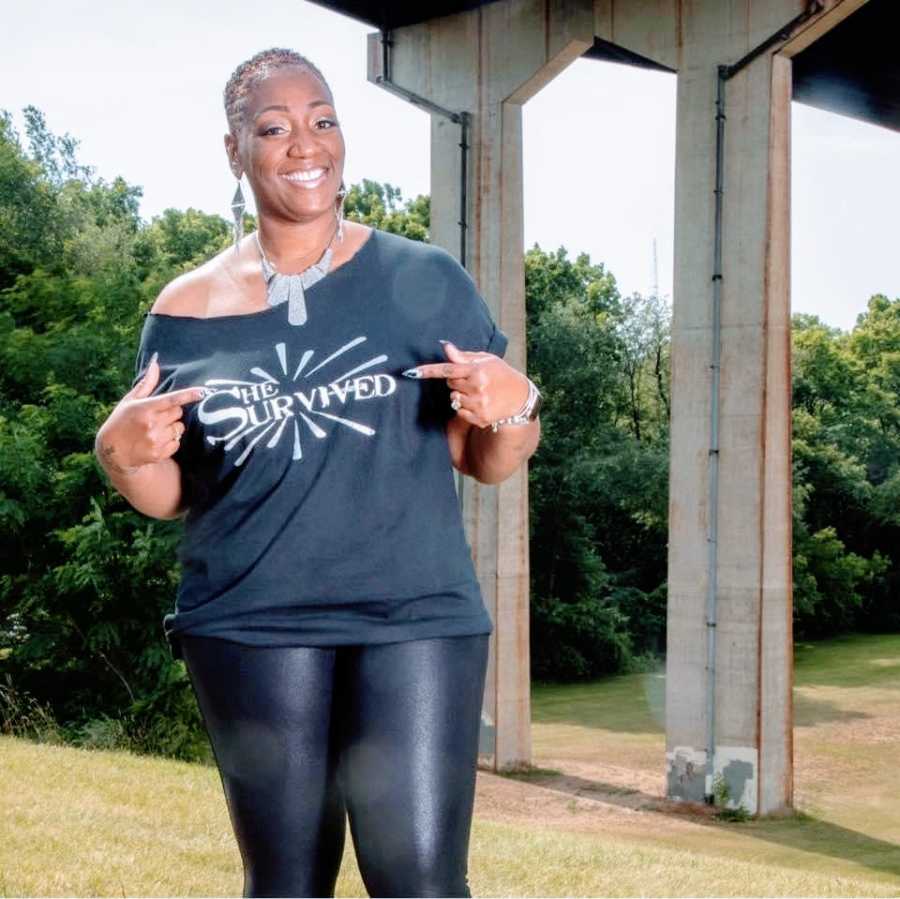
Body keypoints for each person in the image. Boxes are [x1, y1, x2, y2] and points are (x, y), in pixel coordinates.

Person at [93, 48, 541, 899]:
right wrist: (118, 452)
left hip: (414, 614)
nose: (306, 144)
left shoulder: (423, 278)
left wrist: (517, 409)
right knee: (289, 880)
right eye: (274, 127)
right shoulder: (183, 312)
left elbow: (482, 458)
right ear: (235, 151)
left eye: (323, 120)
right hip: (250, 622)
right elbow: (176, 492)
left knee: (418, 877)